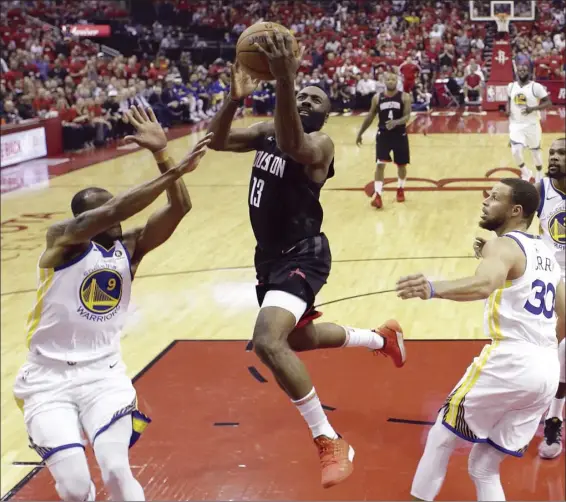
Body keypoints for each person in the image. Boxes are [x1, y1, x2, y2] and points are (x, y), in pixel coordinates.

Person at [206, 33, 406, 489]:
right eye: (300, 91)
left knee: (266, 340)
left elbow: (295, 145)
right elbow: (216, 141)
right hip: (269, 258)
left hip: (304, 254)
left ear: (325, 112)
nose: (303, 96)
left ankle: (329, 439)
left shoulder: (321, 144)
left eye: (313, 96)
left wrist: (283, 80)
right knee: (297, 340)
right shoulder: (264, 132)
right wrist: (234, 100)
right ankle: (380, 338)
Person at [13, 105, 212, 502]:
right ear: (82, 222)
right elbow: (115, 209)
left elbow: (180, 208)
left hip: (104, 374)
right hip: (47, 380)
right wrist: (173, 171)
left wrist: (162, 155)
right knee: (72, 489)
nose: (113, 220)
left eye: (113, 214)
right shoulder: (61, 242)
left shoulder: (131, 247)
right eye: (101, 214)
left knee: (117, 469)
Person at [397, 178, 565, 501]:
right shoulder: (543, 251)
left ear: (516, 210)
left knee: (441, 437)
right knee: (484, 466)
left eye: (495, 197)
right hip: (546, 369)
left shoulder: (501, 246)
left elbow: (484, 285)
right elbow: (565, 313)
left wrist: (432, 288)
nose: (485, 200)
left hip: (511, 361)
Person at [536, 138, 566, 458]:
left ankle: (554, 417)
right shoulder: (541, 189)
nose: (554, 157)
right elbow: (517, 226)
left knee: (563, 351)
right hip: (547, 277)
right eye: (552, 153)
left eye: (561, 153)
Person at [356, 72, 412, 209]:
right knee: (380, 165)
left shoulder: (405, 97)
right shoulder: (377, 98)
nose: (391, 81)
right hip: (383, 135)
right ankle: (378, 195)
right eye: (388, 79)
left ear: (397, 81)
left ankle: (400, 188)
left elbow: (407, 117)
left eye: (393, 79)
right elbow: (370, 116)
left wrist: (396, 122)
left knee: (401, 165)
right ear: (384, 81)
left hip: (400, 135)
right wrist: (360, 132)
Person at [506, 64, 552, 183]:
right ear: (517, 72)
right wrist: (507, 110)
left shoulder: (536, 87)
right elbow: (509, 100)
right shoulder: (511, 86)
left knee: (535, 154)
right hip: (516, 125)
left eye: (524, 70)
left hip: (532, 125)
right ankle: (525, 172)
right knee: (515, 151)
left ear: (529, 72)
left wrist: (533, 108)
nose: (522, 71)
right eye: (520, 69)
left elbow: (548, 103)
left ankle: (539, 172)